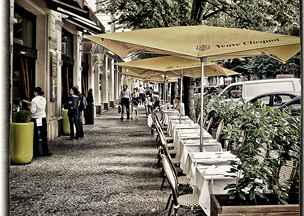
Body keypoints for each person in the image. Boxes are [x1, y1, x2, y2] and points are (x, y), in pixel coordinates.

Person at [30, 87, 51, 157]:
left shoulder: (34, 100)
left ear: (36, 92)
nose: (33, 93)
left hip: (36, 118)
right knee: (44, 135)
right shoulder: (44, 99)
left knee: (35, 135)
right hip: (43, 118)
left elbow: (33, 111)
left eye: (34, 92)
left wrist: (29, 107)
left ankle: (36, 152)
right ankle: (45, 151)